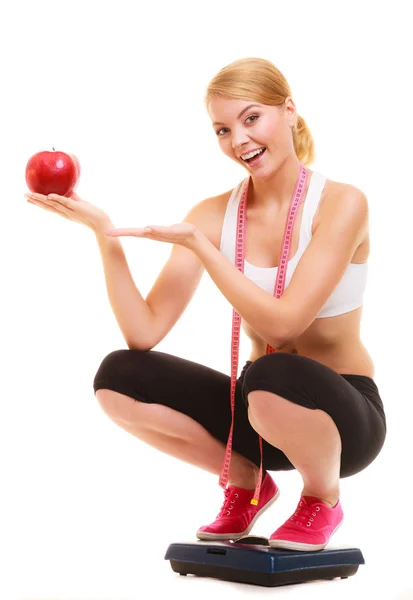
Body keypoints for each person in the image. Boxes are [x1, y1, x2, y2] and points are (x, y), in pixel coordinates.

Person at [25, 57, 386, 553]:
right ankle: (248, 482)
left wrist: (204, 249)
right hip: (258, 417)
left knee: (270, 372)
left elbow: (285, 325)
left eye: (251, 118)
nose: (238, 140)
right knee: (118, 378)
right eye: (222, 128)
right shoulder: (215, 213)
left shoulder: (343, 203)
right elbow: (144, 332)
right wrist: (103, 234)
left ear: (289, 111)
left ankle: (323, 498)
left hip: (343, 419)